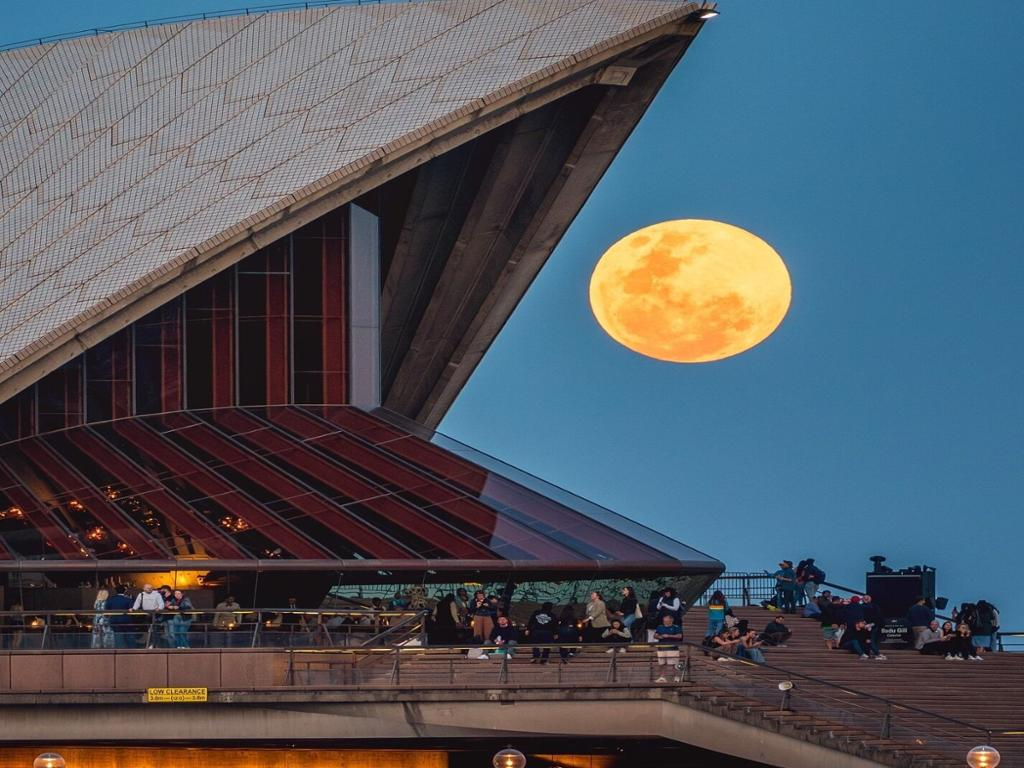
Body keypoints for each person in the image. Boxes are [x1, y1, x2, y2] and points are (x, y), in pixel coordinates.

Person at [132, 583, 165, 648]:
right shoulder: (141, 595)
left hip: (155, 615)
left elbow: (161, 604)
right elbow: (137, 604)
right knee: (148, 631)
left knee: (155, 630)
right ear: (144, 588)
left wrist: (159, 608)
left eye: (151, 588)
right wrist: (133, 609)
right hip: (146, 616)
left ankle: (156, 645)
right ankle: (150, 644)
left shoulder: (157, 594)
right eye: (148, 588)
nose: (149, 589)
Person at [652, 614, 683, 683]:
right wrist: (660, 637)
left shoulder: (676, 627)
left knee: (674, 663)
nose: (665, 621)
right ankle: (662, 677)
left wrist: (669, 636)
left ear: (671, 620)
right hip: (661, 648)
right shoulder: (660, 627)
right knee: (661, 663)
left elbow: (679, 636)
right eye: (664, 620)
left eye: (666, 619)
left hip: (673, 648)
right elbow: (655, 635)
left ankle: (677, 677)